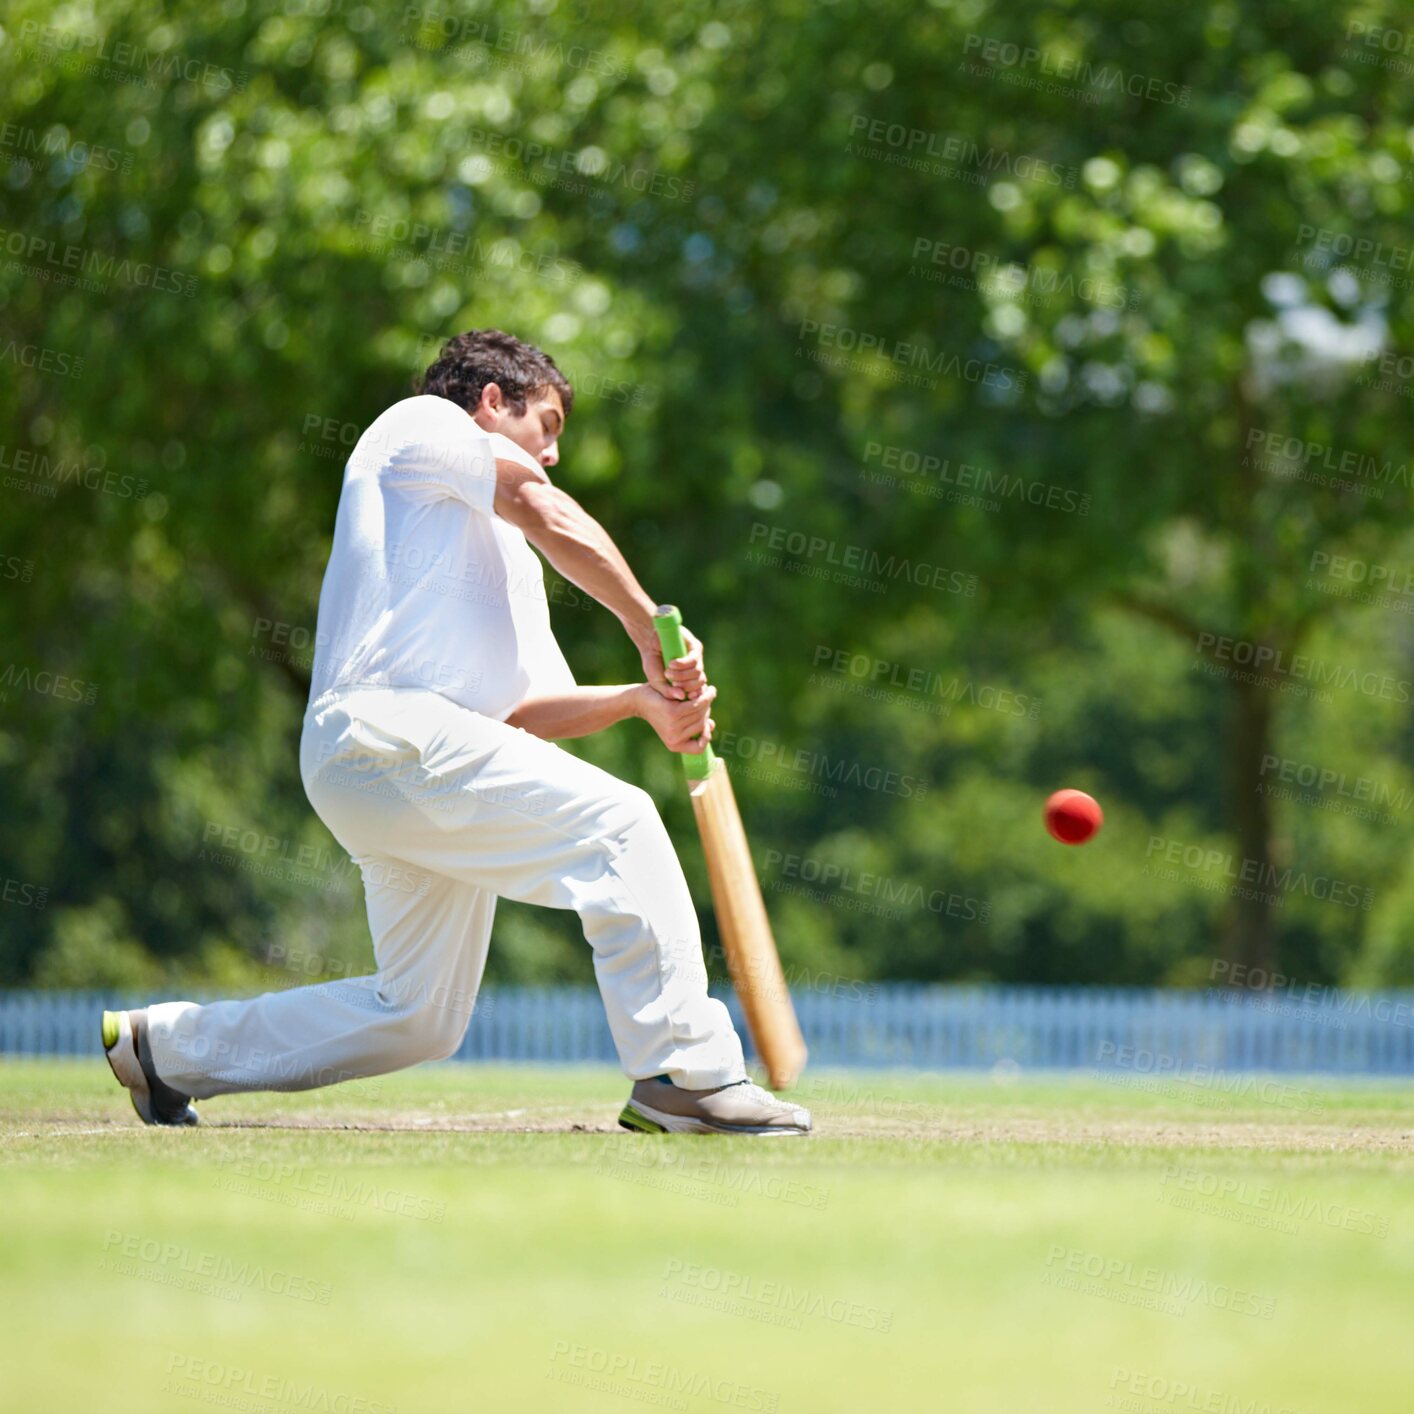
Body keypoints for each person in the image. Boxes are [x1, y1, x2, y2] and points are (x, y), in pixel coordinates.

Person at [102, 329, 811, 1137]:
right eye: (545, 428)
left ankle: (166, 1050)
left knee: (422, 1014)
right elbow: (542, 504)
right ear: (492, 402)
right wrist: (645, 621)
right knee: (619, 828)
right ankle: (685, 1074)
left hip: (399, 766)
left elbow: (521, 716)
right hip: (384, 727)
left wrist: (640, 703)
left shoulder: (504, 559)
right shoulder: (425, 427)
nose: (552, 457)